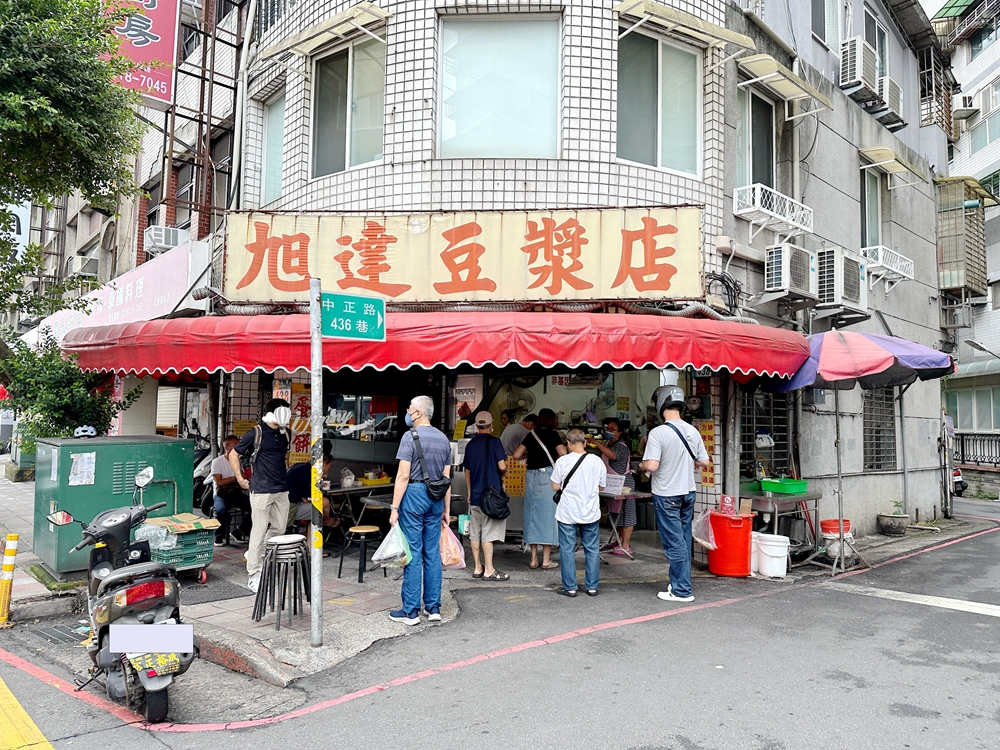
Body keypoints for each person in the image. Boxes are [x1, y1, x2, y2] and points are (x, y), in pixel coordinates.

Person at [640, 396, 710, 603]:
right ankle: (680, 581)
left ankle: (681, 590)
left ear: (661, 407)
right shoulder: (692, 430)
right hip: (688, 492)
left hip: (667, 494)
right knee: (683, 538)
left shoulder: (658, 432)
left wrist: (643, 465)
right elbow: (704, 461)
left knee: (674, 542)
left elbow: (652, 465)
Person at [389, 396, 452, 626]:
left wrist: (394, 508)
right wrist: (446, 509)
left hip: (414, 495)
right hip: (436, 498)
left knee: (413, 552)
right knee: (432, 553)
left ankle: (411, 611)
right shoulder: (444, 439)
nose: (407, 412)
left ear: (417, 413)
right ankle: (434, 607)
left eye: (409, 409)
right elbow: (446, 479)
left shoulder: (409, 437)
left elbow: (403, 475)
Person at [231, 399, 292, 593]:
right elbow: (233, 454)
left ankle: (257, 554)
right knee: (257, 531)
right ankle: (254, 574)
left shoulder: (286, 434)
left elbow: (284, 457)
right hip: (261, 489)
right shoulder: (255, 433)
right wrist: (240, 478)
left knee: (280, 528)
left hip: (281, 488)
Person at [550, 429, 606, 597]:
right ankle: (592, 587)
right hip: (590, 511)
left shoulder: (562, 462)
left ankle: (570, 587)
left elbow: (554, 486)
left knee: (567, 549)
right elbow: (602, 486)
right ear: (585, 442)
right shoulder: (596, 461)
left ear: (568, 443)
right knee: (592, 549)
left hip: (567, 511)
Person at [513, 408, 566, 570]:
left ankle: (533, 558)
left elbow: (516, 455)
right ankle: (546, 560)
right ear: (552, 421)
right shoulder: (553, 435)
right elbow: (563, 454)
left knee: (532, 516)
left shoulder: (531, 435)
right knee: (548, 517)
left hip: (531, 478)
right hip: (547, 477)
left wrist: (528, 456)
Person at [462, 411, 509, 581]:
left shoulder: (471, 445)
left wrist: (469, 491)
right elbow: (502, 466)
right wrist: (503, 471)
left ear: (476, 426)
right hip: (490, 497)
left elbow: (467, 470)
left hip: (475, 495)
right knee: (488, 534)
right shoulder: (495, 442)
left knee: (475, 533)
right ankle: (489, 569)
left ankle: (477, 568)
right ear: (491, 425)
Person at [589, 418, 636, 555]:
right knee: (617, 515)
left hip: (624, 484)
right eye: (607, 428)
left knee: (627, 515)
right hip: (612, 482)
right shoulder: (609, 442)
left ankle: (626, 545)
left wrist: (597, 443)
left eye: (612, 429)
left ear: (619, 433)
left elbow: (613, 456)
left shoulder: (621, 446)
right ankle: (619, 540)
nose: (608, 431)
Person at [212, 434, 252, 547]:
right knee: (221, 510)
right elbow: (219, 482)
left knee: (255, 507)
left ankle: (238, 531)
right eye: (236, 445)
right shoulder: (217, 462)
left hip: (236, 493)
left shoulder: (240, 460)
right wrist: (236, 476)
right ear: (227, 447)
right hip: (221, 494)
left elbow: (246, 477)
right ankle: (219, 536)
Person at [286, 450, 335, 534]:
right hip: (290, 508)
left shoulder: (300, 466)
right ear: (323, 464)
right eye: (328, 468)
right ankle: (326, 521)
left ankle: (311, 542)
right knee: (324, 504)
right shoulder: (311, 472)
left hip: (281, 503)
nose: (327, 472)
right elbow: (306, 499)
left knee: (318, 511)